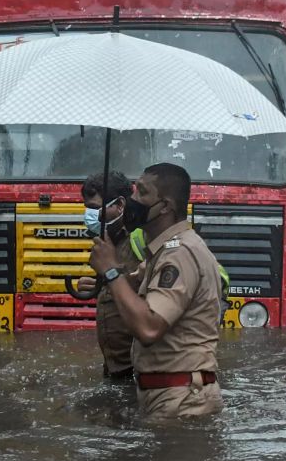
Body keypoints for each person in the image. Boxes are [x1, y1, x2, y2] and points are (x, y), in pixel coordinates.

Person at [88, 163, 224, 418]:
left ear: (165, 206)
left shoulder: (179, 254)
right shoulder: (162, 251)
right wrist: (107, 277)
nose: (132, 200)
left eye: (142, 192)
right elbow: (133, 285)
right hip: (169, 395)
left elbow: (149, 327)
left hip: (182, 401)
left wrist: (110, 271)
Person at [77, 172, 142, 379]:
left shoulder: (141, 238)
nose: (89, 215)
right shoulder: (106, 242)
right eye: (87, 208)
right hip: (116, 367)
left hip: (140, 368)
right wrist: (99, 286)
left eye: (95, 208)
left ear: (120, 205)